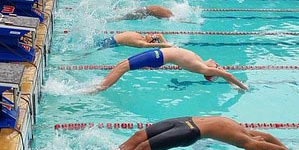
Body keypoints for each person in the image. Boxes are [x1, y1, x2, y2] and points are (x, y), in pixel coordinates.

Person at [115, 116, 299, 150]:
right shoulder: (245, 130)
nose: (261, 139)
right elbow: (270, 139)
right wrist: (289, 148)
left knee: (145, 147)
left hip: (190, 132)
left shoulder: (247, 141)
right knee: (140, 135)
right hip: (184, 120)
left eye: (259, 144)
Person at [94, 47, 249, 92]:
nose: (216, 64)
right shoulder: (203, 62)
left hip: (158, 57)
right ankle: (102, 83)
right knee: (122, 64)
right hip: (158, 53)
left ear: (210, 73)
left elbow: (226, 74)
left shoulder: (202, 67)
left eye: (217, 67)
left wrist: (241, 85)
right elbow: (216, 67)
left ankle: (99, 88)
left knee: (123, 68)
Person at [96, 31, 171, 49]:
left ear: (150, 41)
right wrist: (163, 41)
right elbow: (159, 34)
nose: (151, 34)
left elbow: (162, 45)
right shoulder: (141, 37)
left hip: (110, 43)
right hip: (110, 40)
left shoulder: (141, 43)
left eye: (152, 36)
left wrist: (165, 45)